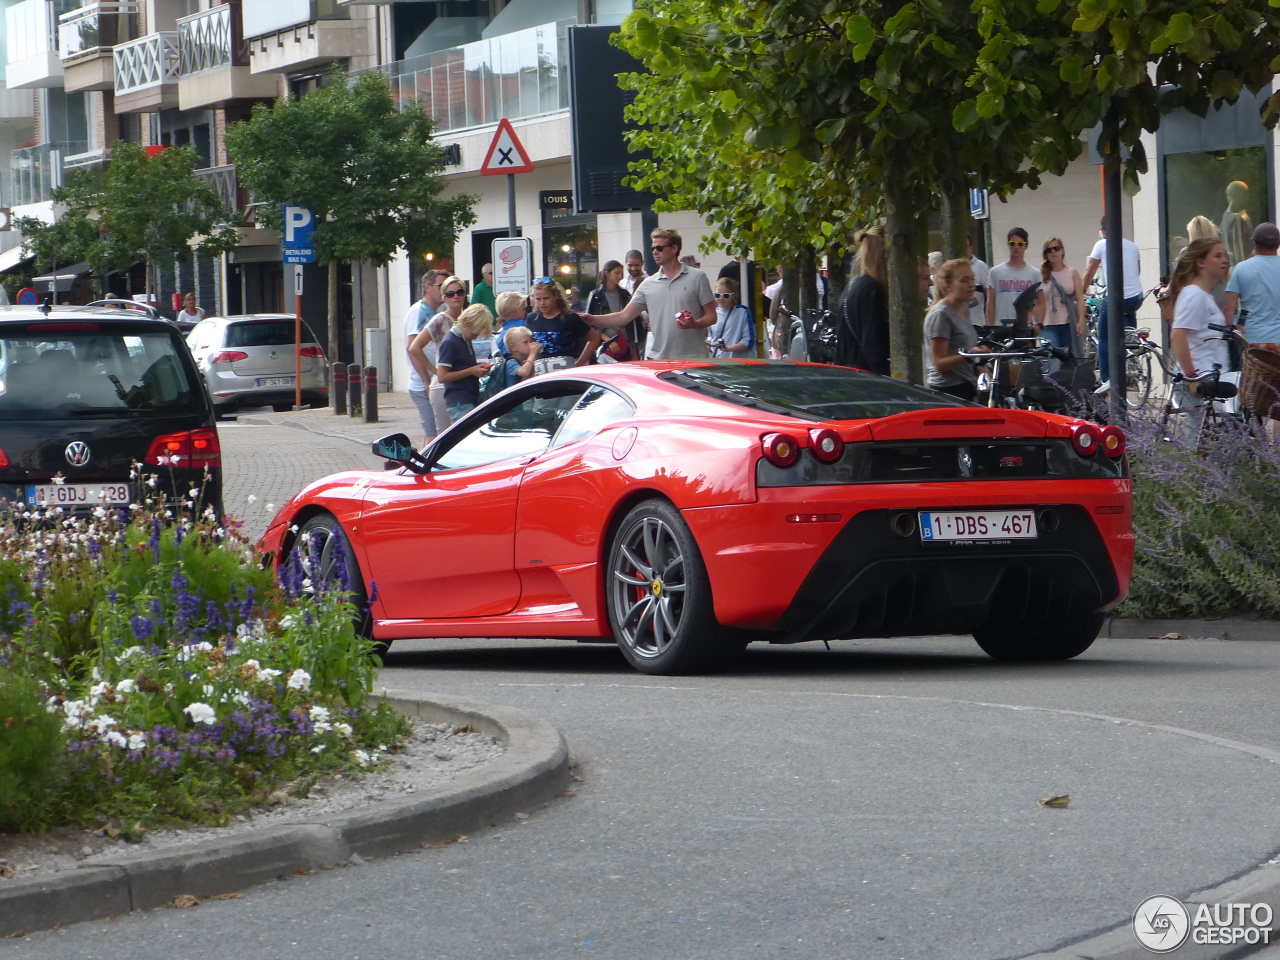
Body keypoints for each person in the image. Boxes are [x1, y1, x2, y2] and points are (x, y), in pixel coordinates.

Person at [591, 228, 716, 359]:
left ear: (674, 249)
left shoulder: (697, 277)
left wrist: (694, 324)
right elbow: (624, 316)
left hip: (694, 356)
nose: (655, 252)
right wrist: (591, 318)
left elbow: (712, 316)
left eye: (659, 248)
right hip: (660, 358)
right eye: (653, 248)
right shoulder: (648, 284)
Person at [1169, 237, 1231, 441]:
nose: (1224, 260)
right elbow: (1178, 336)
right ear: (1201, 262)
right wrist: (1192, 378)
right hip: (1200, 379)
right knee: (1199, 441)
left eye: (1224, 255)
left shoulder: (1203, 295)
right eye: (1218, 255)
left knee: (1208, 440)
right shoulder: (1194, 295)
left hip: (1210, 375)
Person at [1081, 217, 1143, 390]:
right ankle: (1133, 360)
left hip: (1117, 298)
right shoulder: (1133, 246)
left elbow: (1089, 271)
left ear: (1103, 231)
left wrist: (1080, 292)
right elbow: (1137, 271)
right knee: (1128, 331)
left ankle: (1107, 378)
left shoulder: (1102, 244)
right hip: (1136, 297)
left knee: (1104, 336)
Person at [926, 259, 989, 401]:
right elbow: (939, 363)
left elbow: (963, 348)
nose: (972, 284)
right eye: (964, 280)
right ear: (948, 286)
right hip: (948, 391)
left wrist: (978, 364)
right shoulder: (941, 315)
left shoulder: (964, 308)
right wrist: (969, 356)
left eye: (972, 278)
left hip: (967, 383)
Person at [834, 225, 889, 375]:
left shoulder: (854, 285)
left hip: (848, 370)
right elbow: (873, 343)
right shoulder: (873, 288)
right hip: (865, 373)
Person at [432, 304, 495, 423]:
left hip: (469, 398)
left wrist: (476, 368)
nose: (475, 337)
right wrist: (471, 371)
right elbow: (442, 376)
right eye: (475, 333)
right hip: (460, 402)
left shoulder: (464, 339)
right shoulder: (450, 342)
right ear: (467, 323)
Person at [404, 270, 446, 445]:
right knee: (433, 434)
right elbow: (412, 348)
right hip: (424, 383)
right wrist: (426, 380)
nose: (444, 290)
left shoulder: (438, 311)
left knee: (431, 434)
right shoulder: (419, 311)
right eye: (441, 286)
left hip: (431, 381)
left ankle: (420, 468)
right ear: (428, 288)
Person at [1224, 222, 1280, 352]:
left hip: (1253, 340)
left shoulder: (1241, 268)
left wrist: (1229, 331)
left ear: (1255, 244)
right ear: (1278, 244)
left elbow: (1229, 306)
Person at [525, 278, 599, 373]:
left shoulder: (569, 317)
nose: (542, 303)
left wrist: (580, 362)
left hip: (566, 371)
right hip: (540, 371)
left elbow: (594, 338)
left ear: (555, 296)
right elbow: (527, 343)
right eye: (538, 299)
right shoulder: (531, 318)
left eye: (546, 298)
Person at [423, 275, 468, 432]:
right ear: (443, 297)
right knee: (446, 436)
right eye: (450, 294)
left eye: (459, 292)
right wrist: (434, 370)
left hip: (465, 385)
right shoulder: (440, 320)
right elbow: (414, 347)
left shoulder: (468, 318)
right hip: (444, 386)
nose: (456, 296)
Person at [1032, 237, 1082, 353]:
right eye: (1049, 250)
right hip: (1048, 325)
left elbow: (1079, 299)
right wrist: (1037, 324)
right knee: (1053, 359)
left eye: (1056, 248)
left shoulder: (1072, 272)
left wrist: (1081, 321)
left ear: (1062, 251)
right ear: (1046, 254)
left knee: (1069, 360)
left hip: (1068, 324)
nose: (1053, 252)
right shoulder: (1040, 275)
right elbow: (1036, 301)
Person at [987, 227, 1042, 330]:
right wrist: (991, 327)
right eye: (1012, 244)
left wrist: (1039, 325)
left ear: (1026, 246)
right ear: (1008, 245)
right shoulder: (995, 272)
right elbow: (991, 302)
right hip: (1001, 327)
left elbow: (1040, 302)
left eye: (1020, 244)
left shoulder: (1035, 273)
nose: (1016, 247)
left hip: (1025, 328)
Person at [586, 260, 635, 361]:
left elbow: (630, 321)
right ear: (607, 274)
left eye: (621, 273)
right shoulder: (596, 296)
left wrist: (633, 349)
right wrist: (608, 341)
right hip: (606, 347)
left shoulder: (624, 294)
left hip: (625, 344)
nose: (620, 276)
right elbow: (590, 324)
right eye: (617, 273)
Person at [707, 277, 754, 358]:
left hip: (739, 362)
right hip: (718, 361)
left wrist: (728, 348)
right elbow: (710, 338)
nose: (721, 298)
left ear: (733, 295)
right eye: (717, 295)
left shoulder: (742, 312)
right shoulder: (713, 313)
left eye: (726, 295)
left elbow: (748, 341)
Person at [966, 237, 992, 331]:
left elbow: (988, 292)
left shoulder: (980, 266)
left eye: (966, 246)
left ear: (971, 248)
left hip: (976, 322)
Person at [494, 291, 531, 357]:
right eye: (523, 309)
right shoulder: (524, 325)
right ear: (514, 312)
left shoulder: (501, 334)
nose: (526, 311)